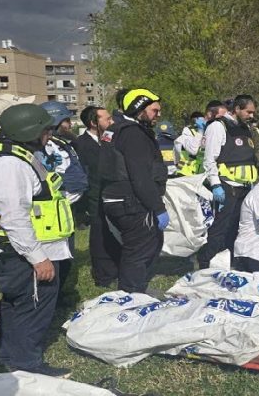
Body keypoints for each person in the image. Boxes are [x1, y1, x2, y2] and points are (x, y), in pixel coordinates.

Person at [0, 103, 73, 377]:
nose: (49, 135)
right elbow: (13, 215)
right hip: (23, 252)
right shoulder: (10, 163)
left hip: (22, 248)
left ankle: (10, 356)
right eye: (45, 130)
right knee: (32, 307)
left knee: (17, 305)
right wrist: (38, 257)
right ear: (28, 132)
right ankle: (26, 366)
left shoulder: (18, 155)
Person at [98, 88, 169, 293]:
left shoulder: (116, 129)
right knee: (140, 251)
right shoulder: (133, 134)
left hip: (118, 199)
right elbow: (140, 176)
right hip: (132, 202)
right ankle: (132, 295)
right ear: (140, 109)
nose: (158, 114)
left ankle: (136, 290)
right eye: (154, 110)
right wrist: (158, 208)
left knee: (146, 246)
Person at [196, 94, 259, 269]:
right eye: (248, 112)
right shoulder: (218, 126)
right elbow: (210, 159)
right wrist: (216, 184)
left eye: (253, 112)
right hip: (226, 186)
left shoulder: (244, 128)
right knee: (220, 228)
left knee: (236, 228)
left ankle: (228, 263)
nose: (251, 115)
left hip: (244, 187)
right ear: (237, 109)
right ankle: (204, 262)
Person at [39, 101, 88, 293]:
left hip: (66, 207)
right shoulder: (46, 145)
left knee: (67, 254)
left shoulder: (61, 143)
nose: (70, 125)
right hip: (55, 209)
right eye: (66, 121)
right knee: (58, 258)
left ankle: (59, 293)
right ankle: (54, 296)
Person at [73, 105, 121, 287]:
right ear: (94, 123)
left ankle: (117, 268)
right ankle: (103, 276)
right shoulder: (81, 144)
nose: (111, 121)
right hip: (94, 197)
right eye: (107, 119)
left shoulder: (110, 139)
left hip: (113, 195)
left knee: (114, 234)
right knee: (100, 237)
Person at [174, 111, 207, 177]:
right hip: (185, 172)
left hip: (199, 172)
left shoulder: (205, 134)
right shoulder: (184, 137)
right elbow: (193, 150)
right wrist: (200, 131)